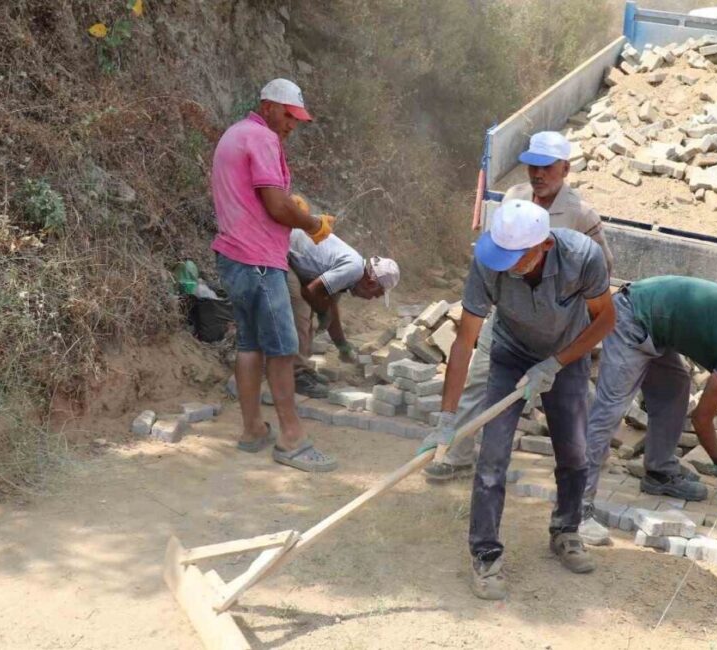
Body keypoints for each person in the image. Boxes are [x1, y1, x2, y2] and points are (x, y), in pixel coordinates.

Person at [421, 199, 615, 600]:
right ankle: (486, 554)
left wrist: (554, 364)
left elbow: (606, 320)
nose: (507, 265)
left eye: (516, 257)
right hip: (509, 354)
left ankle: (566, 531)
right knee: (492, 459)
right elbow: (464, 341)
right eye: (502, 256)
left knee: (575, 454)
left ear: (543, 245)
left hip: (567, 356)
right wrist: (447, 417)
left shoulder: (583, 258)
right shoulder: (488, 262)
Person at [422, 131, 613, 483]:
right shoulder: (514, 198)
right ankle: (456, 452)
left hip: (557, 325)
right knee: (480, 379)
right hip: (509, 317)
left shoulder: (581, 214)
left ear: (565, 168)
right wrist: (443, 418)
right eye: (532, 167)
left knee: (570, 400)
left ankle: (582, 472)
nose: (537, 174)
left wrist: (575, 329)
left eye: (546, 167)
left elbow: (602, 271)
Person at [576, 276, 717, 546]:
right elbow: (702, 418)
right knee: (610, 410)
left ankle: (658, 473)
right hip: (631, 317)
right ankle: (577, 507)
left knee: (675, 386)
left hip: (656, 329)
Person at [211, 78, 338, 473]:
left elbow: (259, 199)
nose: (291, 125)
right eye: (288, 115)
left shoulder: (234, 135)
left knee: (250, 344)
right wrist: (313, 223)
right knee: (282, 350)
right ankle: (292, 438)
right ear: (268, 107)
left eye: (297, 119)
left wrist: (289, 208)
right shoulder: (263, 140)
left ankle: (252, 430)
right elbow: (276, 207)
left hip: (233, 257)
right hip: (260, 261)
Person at [286, 227, 401, 397]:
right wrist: (322, 311)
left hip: (296, 259)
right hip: (281, 252)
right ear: (370, 283)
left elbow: (331, 307)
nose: (371, 299)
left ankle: (303, 368)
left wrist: (342, 346)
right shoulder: (352, 270)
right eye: (376, 294)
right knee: (302, 312)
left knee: (311, 311)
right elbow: (309, 292)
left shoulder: (352, 275)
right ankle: (297, 376)